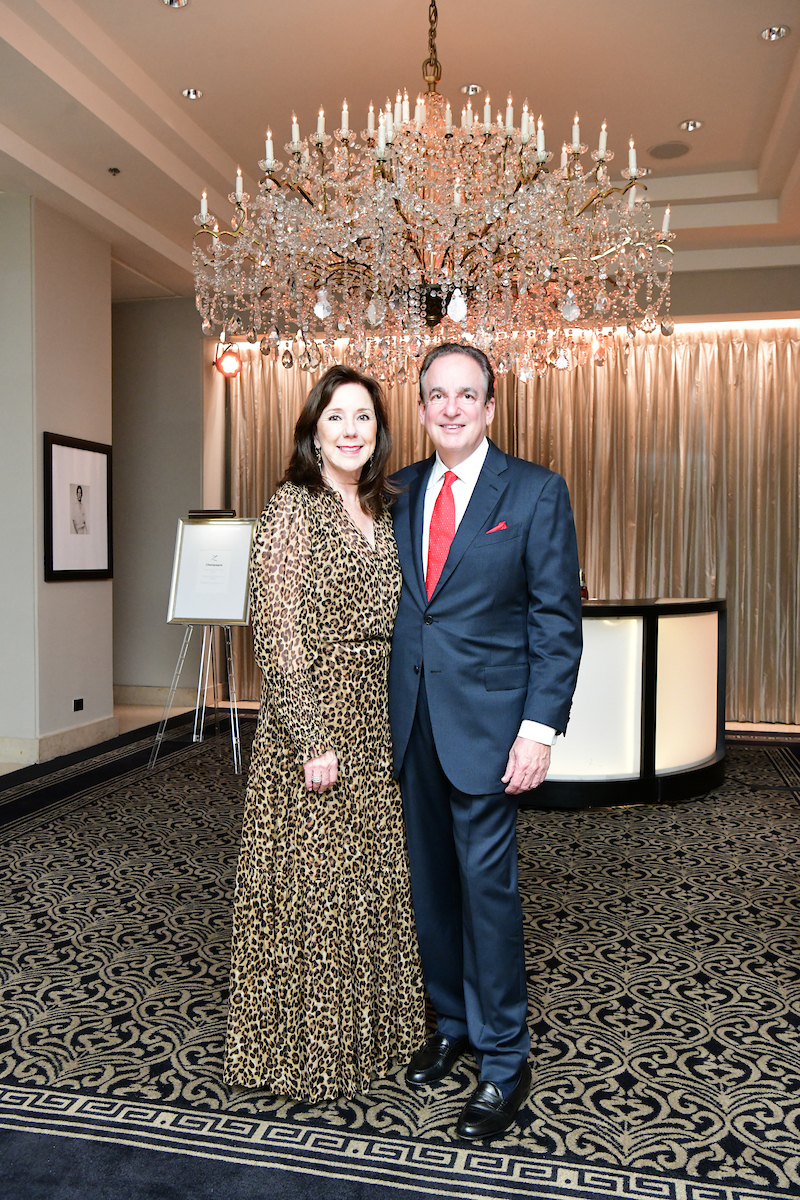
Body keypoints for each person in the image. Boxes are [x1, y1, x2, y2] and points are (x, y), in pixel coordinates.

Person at [388, 343, 583, 1140]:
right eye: (438, 395)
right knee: (430, 888)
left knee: (488, 897)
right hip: (411, 724)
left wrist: (539, 728)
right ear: (424, 407)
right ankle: (453, 1025)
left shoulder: (534, 492)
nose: (453, 408)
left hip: (493, 732)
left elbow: (554, 619)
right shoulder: (397, 490)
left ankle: (505, 1060)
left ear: (492, 408)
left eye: (468, 394)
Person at [225, 364, 426, 1103]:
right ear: (314, 429)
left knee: (370, 879)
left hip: (378, 715)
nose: (352, 430)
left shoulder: (386, 506)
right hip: (316, 718)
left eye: (365, 418)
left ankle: (375, 1033)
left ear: (379, 432)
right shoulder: (293, 507)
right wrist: (311, 736)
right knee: (316, 886)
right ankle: (308, 1049)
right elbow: (275, 629)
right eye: (338, 417)